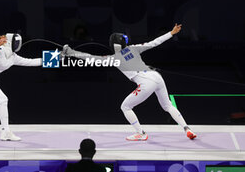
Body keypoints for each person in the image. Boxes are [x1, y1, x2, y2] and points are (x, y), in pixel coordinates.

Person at [63, 24, 197, 141]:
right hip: (156, 76)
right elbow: (154, 42)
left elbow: (90, 58)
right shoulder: (133, 48)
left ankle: (141, 133)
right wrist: (171, 33)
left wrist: (71, 52)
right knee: (167, 105)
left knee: (125, 107)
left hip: (146, 82)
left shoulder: (113, 58)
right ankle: (187, 128)